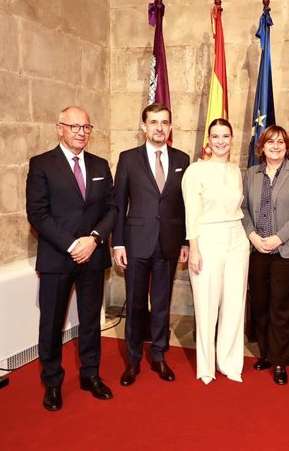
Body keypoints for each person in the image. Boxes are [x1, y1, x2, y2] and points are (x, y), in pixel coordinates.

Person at [26, 106, 118, 411]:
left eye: (86, 127)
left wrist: (93, 240)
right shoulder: (42, 165)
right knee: (51, 323)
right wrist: (71, 244)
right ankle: (52, 382)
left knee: (91, 321)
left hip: (93, 255)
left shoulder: (100, 165)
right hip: (57, 257)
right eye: (75, 126)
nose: (81, 132)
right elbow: (37, 214)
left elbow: (112, 209)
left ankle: (90, 375)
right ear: (59, 128)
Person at [112, 103, 190, 386]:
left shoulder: (182, 159)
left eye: (165, 122)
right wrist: (118, 243)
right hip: (136, 244)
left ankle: (158, 355)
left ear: (170, 127)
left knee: (161, 303)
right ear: (144, 126)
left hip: (168, 244)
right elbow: (119, 204)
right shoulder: (128, 159)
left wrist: (184, 241)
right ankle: (132, 361)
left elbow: (184, 206)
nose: (159, 127)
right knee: (134, 304)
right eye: (154, 122)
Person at [242, 125, 289, 385]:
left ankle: (280, 362)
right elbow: (244, 209)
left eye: (280, 142)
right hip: (257, 249)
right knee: (259, 304)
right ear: (262, 147)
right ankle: (266, 354)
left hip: (288, 251)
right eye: (270, 141)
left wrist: (278, 238)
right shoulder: (251, 174)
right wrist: (253, 236)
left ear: (287, 147)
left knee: (281, 307)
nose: (275, 146)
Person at [182, 118, 249, 385]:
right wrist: (194, 248)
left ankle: (230, 362)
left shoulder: (235, 171)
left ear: (232, 140)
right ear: (208, 140)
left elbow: (238, 209)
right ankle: (207, 367)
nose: (221, 141)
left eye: (226, 136)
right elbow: (191, 213)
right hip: (207, 238)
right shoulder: (195, 171)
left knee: (234, 303)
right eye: (216, 136)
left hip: (237, 238)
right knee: (207, 305)